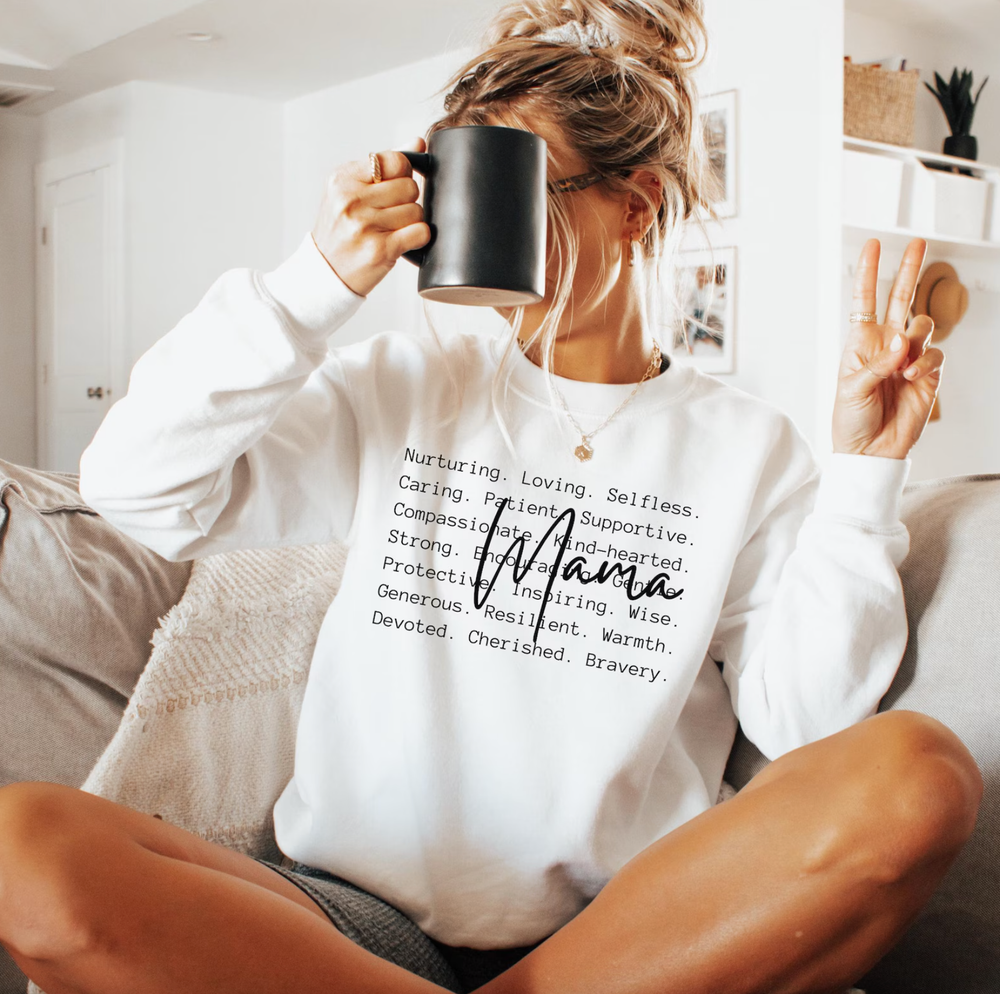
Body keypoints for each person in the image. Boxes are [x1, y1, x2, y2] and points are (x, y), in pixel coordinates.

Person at [0, 2, 982, 993]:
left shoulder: (744, 449)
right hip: (350, 928)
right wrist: (308, 288)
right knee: (25, 847)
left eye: (517, 187)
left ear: (635, 206)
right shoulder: (398, 387)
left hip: (629, 939)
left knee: (918, 774)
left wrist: (865, 473)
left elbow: (807, 724)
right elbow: (137, 489)